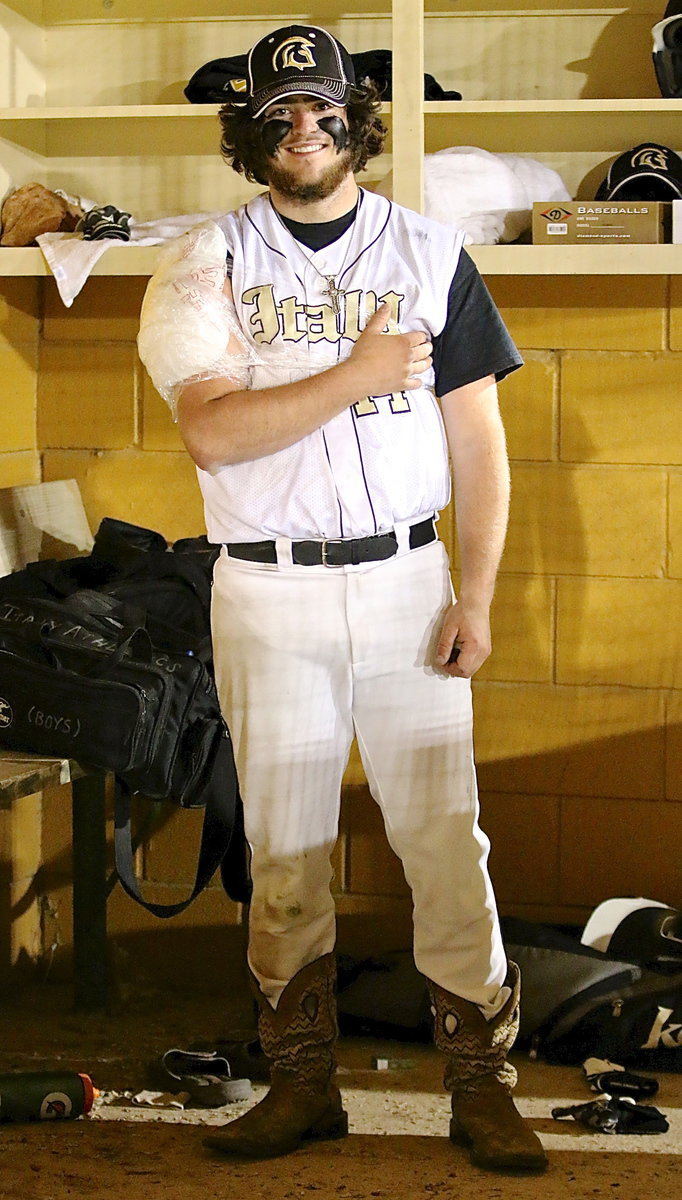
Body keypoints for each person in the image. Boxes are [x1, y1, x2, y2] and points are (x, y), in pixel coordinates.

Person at [137, 24, 547, 1175]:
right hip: (269, 588)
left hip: (409, 579)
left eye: (323, 108)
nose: (304, 128)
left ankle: (482, 1082)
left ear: (357, 120)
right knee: (286, 847)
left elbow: (479, 442)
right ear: (250, 132)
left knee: (440, 839)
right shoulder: (200, 261)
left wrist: (478, 595)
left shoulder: (426, 252)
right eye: (278, 113)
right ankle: (301, 1081)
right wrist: (359, 376)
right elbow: (214, 432)